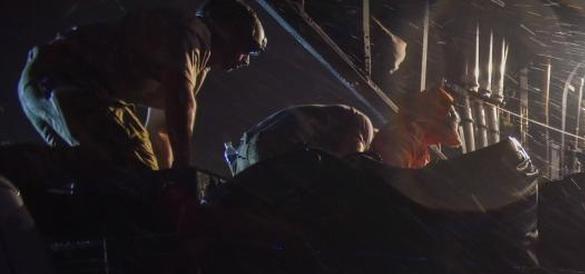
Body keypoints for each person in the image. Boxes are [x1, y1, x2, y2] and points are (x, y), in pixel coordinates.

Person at [18, 0, 266, 171]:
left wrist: (165, 182)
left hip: (50, 80)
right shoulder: (195, 34)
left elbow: (161, 132)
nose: (244, 61)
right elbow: (180, 99)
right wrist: (181, 171)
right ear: (228, 32)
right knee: (130, 167)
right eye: (245, 49)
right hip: (67, 76)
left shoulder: (194, 64)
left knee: (96, 170)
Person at [225, 104, 376, 175]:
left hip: (247, 153)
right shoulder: (365, 128)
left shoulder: (349, 118)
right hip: (271, 151)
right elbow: (350, 165)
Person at [372, 86, 463, 169]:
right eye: (446, 127)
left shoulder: (421, 146)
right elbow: (393, 178)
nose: (440, 141)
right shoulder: (404, 138)